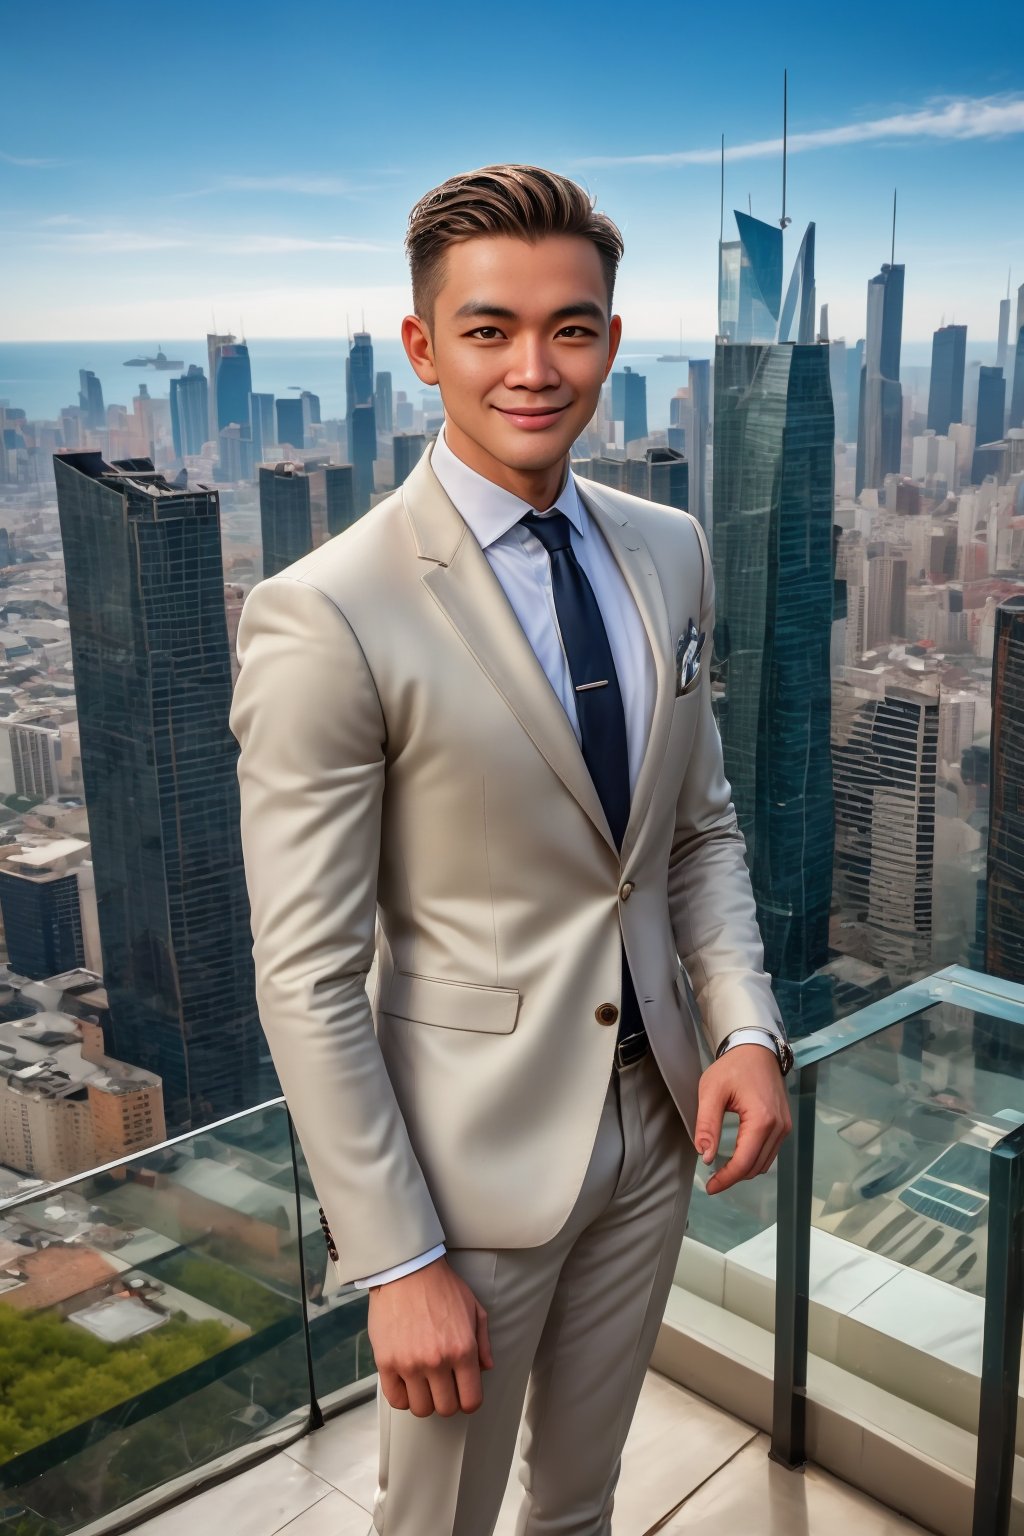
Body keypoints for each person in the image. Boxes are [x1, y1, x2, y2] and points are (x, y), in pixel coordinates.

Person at [228, 163, 792, 1536]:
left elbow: (693, 830)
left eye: (573, 327)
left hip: (655, 1123)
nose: (534, 368)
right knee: (439, 1523)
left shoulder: (668, 548)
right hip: (460, 1177)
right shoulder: (327, 612)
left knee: (581, 1499)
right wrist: (396, 1256)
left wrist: (750, 1030)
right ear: (425, 348)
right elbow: (305, 973)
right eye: (488, 329)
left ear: (610, 338)